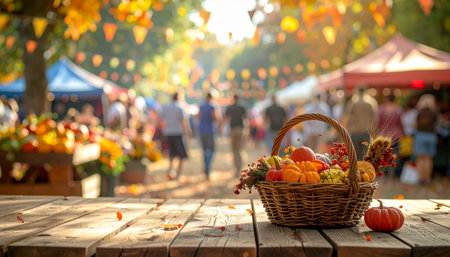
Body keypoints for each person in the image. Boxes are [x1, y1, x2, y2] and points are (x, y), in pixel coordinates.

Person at [160, 92, 192, 179]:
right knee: (181, 155)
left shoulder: (166, 107)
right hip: (178, 133)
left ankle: (170, 170)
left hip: (168, 132)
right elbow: (184, 122)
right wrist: (189, 133)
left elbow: (161, 119)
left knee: (171, 153)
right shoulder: (180, 107)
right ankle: (178, 173)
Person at [344, 87, 378, 160]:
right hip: (366, 131)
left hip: (354, 131)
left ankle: (354, 170)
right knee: (365, 154)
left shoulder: (353, 102)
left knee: (354, 155)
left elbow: (348, 118)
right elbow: (375, 119)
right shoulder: (371, 103)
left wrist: (347, 129)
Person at [413, 94, 438, 184]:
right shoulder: (434, 112)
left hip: (421, 135)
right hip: (431, 136)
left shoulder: (419, 112)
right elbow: (437, 123)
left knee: (420, 158)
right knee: (428, 158)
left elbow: (416, 124)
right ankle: (427, 179)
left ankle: (420, 178)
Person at [220, 94, 247, 176]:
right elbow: (246, 118)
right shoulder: (242, 107)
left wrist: (220, 127)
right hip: (240, 129)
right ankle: (240, 167)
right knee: (240, 149)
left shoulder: (230, 108)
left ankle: (237, 169)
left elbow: (225, 118)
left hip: (233, 129)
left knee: (234, 150)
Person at [197, 92, 221, 180]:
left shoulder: (201, 106)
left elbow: (198, 117)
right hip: (210, 130)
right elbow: (215, 118)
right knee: (212, 149)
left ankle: (206, 168)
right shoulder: (213, 106)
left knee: (204, 150)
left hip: (201, 130)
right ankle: (207, 168)